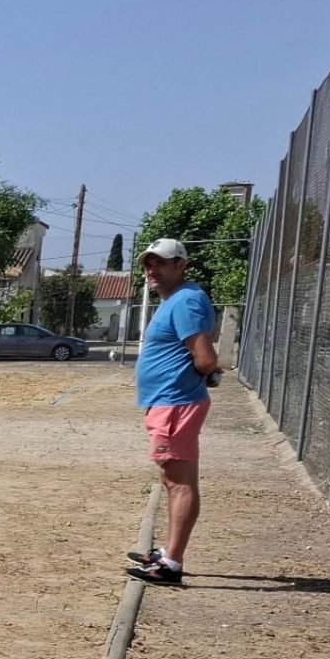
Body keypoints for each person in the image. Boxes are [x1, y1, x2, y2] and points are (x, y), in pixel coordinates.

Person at [126, 238, 220, 586]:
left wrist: (192, 377)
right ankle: (168, 553)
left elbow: (205, 359)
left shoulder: (186, 301)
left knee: (179, 483)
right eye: (149, 264)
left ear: (181, 265)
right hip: (170, 402)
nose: (153, 270)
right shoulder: (179, 299)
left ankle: (171, 564)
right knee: (173, 480)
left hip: (176, 403)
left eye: (161, 263)